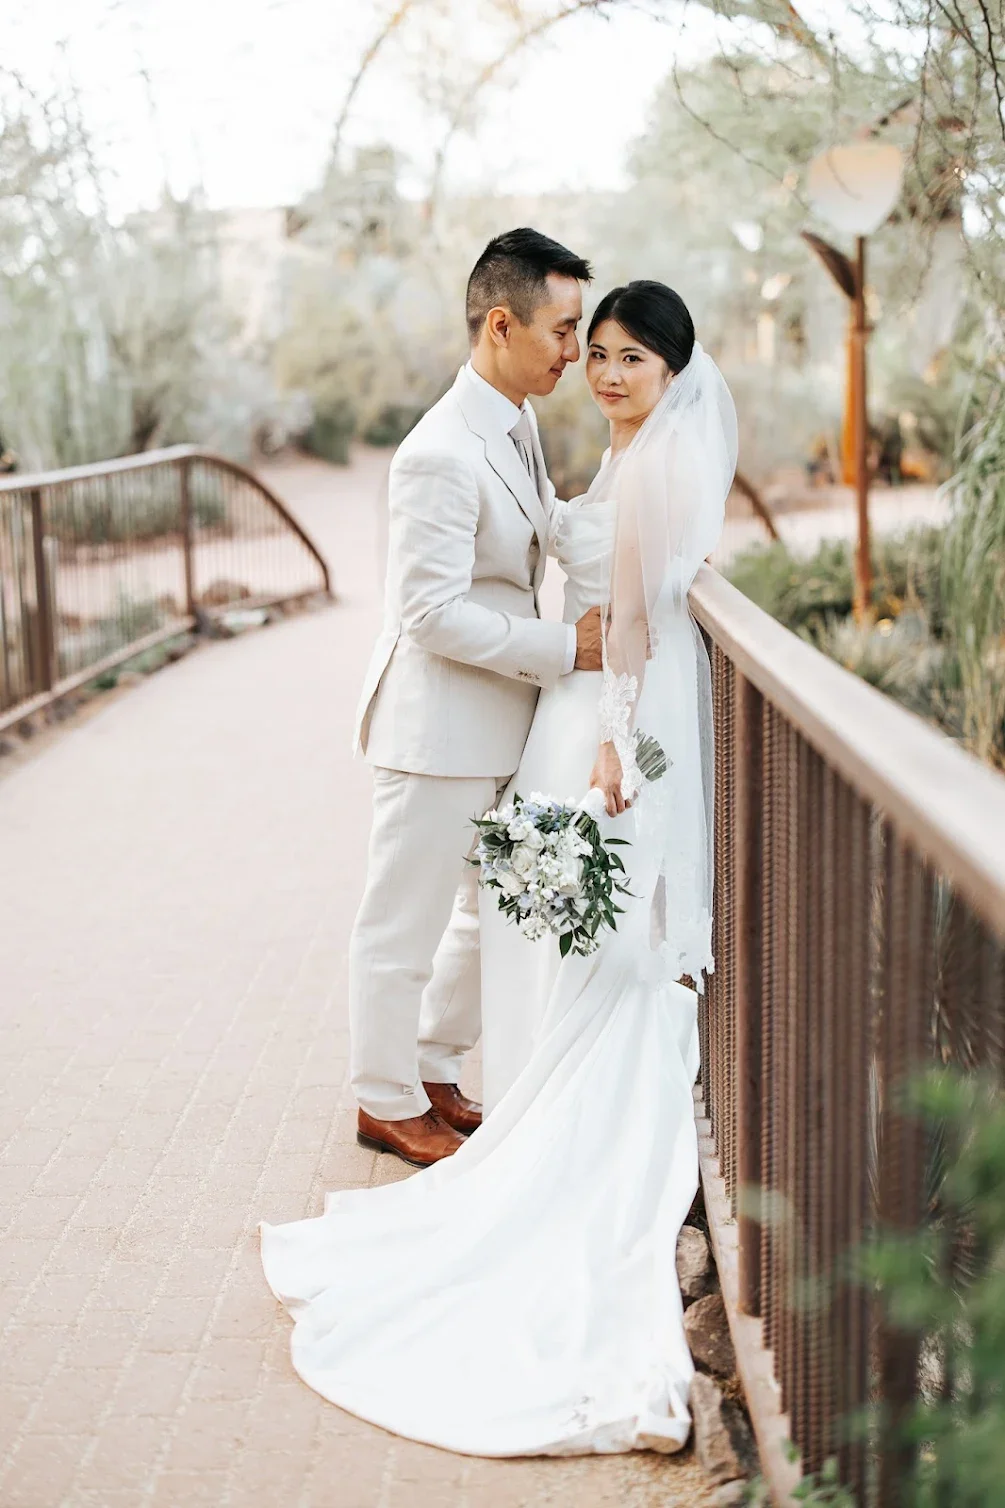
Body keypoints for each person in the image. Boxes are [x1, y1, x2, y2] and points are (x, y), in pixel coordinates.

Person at [261, 279, 737, 1457]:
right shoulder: (463, 444)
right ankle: (399, 1097)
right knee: (448, 918)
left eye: (625, 353)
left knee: (563, 923)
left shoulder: (623, 455)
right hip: (552, 705)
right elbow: (450, 607)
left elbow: (633, 611)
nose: (599, 366)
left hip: (603, 722)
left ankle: (480, 1092)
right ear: (503, 325)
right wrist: (586, 686)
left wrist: (617, 735)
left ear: (675, 372)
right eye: (588, 342)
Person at [348, 228, 602, 1169]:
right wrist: (562, 648)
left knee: (478, 912)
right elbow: (429, 613)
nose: (573, 353)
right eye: (563, 330)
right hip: (434, 730)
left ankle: (432, 1065)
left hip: (499, 721)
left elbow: (538, 534)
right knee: (399, 925)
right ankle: (381, 1099)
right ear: (501, 324)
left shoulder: (516, 419)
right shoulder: (437, 454)